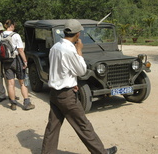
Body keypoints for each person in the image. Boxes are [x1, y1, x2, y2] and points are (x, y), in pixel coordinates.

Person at [41, 19, 117, 154]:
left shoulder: (55, 47)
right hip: (66, 95)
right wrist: (79, 50)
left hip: (55, 93)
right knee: (83, 125)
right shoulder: (69, 50)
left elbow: (60, 70)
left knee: (53, 126)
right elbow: (81, 71)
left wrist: (72, 83)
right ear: (78, 34)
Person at [0, 19, 35, 111]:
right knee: (22, 82)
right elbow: (20, 50)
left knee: (10, 83)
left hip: (6, 62)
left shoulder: (0, 36)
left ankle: (13, 103)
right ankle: (27, 103)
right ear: (12, 25)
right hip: (17, 61)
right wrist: (25, 61)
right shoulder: (16, 35)